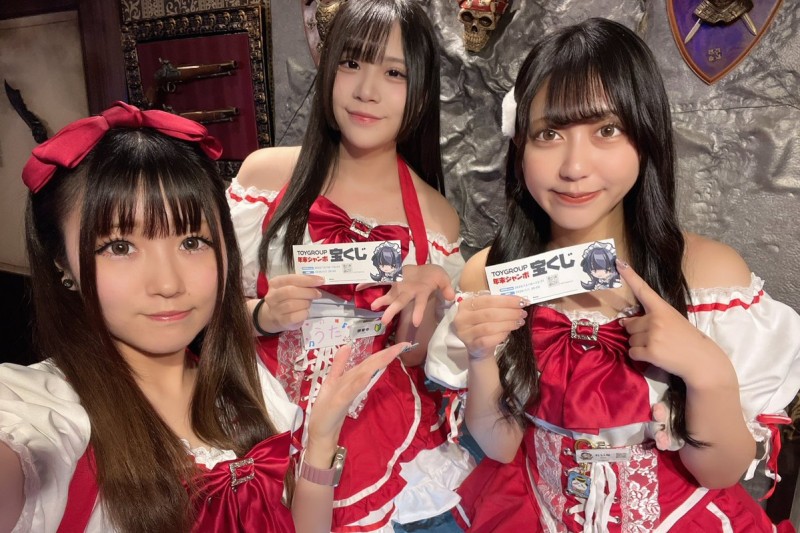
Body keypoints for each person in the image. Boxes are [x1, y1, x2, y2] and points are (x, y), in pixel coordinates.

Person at [425, 18, 800, 532]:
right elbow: (502, 446)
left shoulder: (711, 275)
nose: (574, 167)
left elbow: (720, 472)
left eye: (606, 130)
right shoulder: (488, 275)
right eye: (549, 134)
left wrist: (707, 371)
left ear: (645, 137)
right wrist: (478, 355)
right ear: (520, 145)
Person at [0, 101, 408, 533]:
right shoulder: (46, 418)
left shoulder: (252, 386)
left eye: (192, 242)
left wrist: (322, 437)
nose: (168, 283)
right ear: (62, 264)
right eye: (120, 247)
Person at [226, 0, 473, 530]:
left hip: (379, 426)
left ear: (421, 88)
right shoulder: (265, 176)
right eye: (352, 62)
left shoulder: (436, 216)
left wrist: (426, 296)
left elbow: (414, 359)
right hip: (262, 412)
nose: (367, 90)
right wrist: (262, 315)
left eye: (394, 73)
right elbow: (203, 311)